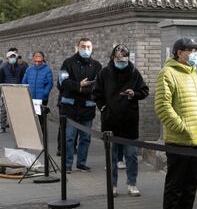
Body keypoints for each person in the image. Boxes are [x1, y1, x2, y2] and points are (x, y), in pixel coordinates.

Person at [155, 38, 197, 209]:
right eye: (191, 50)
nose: (195, 54)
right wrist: (183, 127)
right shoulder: (167, 73)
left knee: (191, 184)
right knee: (175, 186)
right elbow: (163, 107)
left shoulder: (193, 74)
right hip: (179, 141)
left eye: (196, 50)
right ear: (179, 52)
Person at [94, 44, 149, 197]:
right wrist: (104, 108)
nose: (122, 62)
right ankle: (112, 185)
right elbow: (96, 93)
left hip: (129, 120)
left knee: (131, 155)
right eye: (119, 59)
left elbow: (144, 91)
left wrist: (134, 94)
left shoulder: (134, 72)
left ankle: (132, 184)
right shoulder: (104, 73)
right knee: (111, 156)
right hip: (110, 120)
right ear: (113, 58)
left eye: (124, 59)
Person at [58, 38, 101, 172]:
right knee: (69, 138)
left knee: (85, 138)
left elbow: (97, 86)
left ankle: (81, 163)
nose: (86, 49)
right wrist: (79, 86)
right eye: (83, 46)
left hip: (87, 108)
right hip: (70, 108)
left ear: (92, 48)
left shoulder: (97, 66)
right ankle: (67, 164)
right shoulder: (68, 63)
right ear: (78, 47)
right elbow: (62, 83)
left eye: (88, 47)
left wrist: (82, 89)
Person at [0, 49, 27, 133]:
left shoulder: (21, 68)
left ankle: (16, 125)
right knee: (3, 109)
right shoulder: (3, 68)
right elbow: (0, 80)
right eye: (11, 57)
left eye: (14, 57)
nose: (12, 58)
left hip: (17, 90)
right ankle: (2, 126)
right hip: (6, 90)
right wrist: (2, 90)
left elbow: (22, 79)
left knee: (17, 109)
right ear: (7, 58)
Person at [22, 50, 53, 125]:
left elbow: (49, 83)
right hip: (30, 97)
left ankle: (42, 135)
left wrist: (45, 93)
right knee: (31, 117)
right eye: (36, 56)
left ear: (43, 58)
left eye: (39, 56)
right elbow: (24, 82)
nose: (37, 58)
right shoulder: (29, 69)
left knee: (41, 118)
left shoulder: (47, 70)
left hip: (41, 99)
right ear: (33, 58)